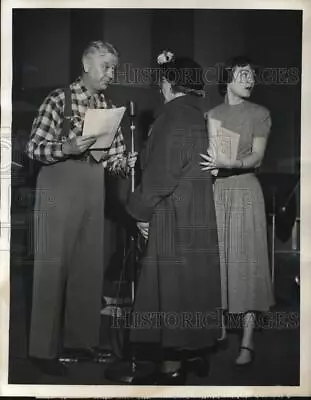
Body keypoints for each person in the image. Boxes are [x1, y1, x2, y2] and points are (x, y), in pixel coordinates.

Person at [25, 40, 137, 375]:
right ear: (87, 65)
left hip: (93, 187)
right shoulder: (59, 99)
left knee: (88, 266)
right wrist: (67, 146)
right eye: (106, 66)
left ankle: (82, 342)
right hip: (58, 186)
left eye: (114, 67)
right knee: (51, 268)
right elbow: (33, 147)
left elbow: (113, 158)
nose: (111, 73)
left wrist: (123, 163)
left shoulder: (107, 105)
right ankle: (42, 351)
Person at [125, 51, 222, 385]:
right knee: (193, 289)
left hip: (173, 216)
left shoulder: (172, 117)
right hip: (198, 212)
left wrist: (138, 211)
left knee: (170, 293)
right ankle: (194, 355)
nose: (159, 88)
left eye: (162, 81)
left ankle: (170, 371)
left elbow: (161, 175)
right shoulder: (199, 116)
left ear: (170, 83)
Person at [200, 55, 274, 366]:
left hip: (245, 188)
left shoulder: (260, 113)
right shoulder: (211, 114)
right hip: (218, 191)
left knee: (248, 262)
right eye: (244, 74)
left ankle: (247, 341)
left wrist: (229, 163)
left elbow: (257, 157)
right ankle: (216, 332)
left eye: (253, 75)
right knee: (217, 258)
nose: (251, 79)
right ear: (228, 77)